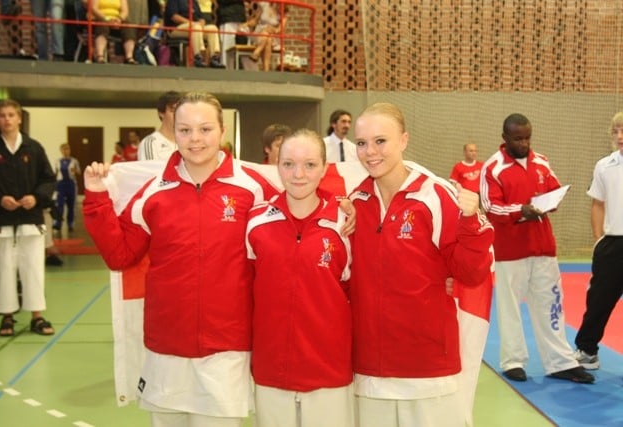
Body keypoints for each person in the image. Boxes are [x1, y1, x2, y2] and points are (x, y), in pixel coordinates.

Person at [83, 92, 280, 426]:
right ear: (173, 132)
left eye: (205, 129)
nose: (195, 139)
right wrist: (97, 197)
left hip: (226, 349)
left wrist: (343, 212)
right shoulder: (153, 192)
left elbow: (295, 229)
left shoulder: (254, 188)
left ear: (222, 131)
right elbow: (119, 255)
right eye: (185, 130)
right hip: (166, 347)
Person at [349, 102, 494, 427]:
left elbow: (471, 273)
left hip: (429, 373)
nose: (370, 152)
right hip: (370, 374)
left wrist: (471, 221)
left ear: (404, 140)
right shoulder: (356, 201)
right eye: (361, 143)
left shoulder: (436, 195)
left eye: (380, 141)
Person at [247, 129, 353, 427]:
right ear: (276, 165)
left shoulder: (346, 224)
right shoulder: (255, 221)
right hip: (271, 372)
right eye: (289, 164)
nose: (298, 174)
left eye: (310, 164)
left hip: (329, 373)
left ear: (324, 168)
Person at [480, 113, 594, 384]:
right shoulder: (492, 168)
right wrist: (521, 210)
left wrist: (551, 201)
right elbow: (490, 206)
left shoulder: (541, 161)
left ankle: (560, 362)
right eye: (518, 139)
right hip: (509, 251)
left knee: (551, 304)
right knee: (509, 308)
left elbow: (554, 189)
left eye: (527, 138)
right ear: (505, 138)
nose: (524, 143)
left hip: (543, 247)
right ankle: (513, 361)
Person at [0, 99, 57, 337]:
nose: (7, 119)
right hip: (2, 220)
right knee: (5, 268)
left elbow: (48, 179)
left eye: (11, 115)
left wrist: (37, 198)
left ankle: (37, 316)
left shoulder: (33, 148)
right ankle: (7, 316)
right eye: (2, 116)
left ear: (19, 119)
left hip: (31, 219)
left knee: (33, 268)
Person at [574, 112, 623, 370]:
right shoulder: (604, 166)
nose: (620, 136)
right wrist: (598, 240)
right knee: (598, 301)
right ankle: (587, 351)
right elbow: (597, 204)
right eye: (616, 131)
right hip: (612, 245)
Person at [164, 0, 225, 68]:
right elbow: (174, 17)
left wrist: (202, 23)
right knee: (196, 27)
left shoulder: (194, 2)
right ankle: (198, 57)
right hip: (176, 28)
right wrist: (191, 23)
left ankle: (214, 58)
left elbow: (201, 18)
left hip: (195, 27)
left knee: (212, 28)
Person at [138, 91, 182, 161]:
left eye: (180, 110)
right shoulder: (151, 143)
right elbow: (150, 168)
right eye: (173, 110)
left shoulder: (186, 141)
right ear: (161, 113)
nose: (177, 114)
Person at [248, 1, 287, 71]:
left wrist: (271, 29)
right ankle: (266, 69)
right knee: (268, 37)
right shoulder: (264, 6)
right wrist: (246, 24)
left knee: (268, 37)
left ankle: (257, 52)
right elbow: (255, 20)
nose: (278, 4)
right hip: (258, 33)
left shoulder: (283, 15)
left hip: (272, 35)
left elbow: (279, 30)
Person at [53, 143, 81, 233]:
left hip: (71, 184)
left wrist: (75, 170)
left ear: (69, 150)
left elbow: (79, 172)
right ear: (61, 151)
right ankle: (58, 223)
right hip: (60, 184)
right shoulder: (57, 161)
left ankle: (70, 224)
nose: (65, 151)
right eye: (63, 149)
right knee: (59, 204)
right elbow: (55, 173)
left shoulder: (74, 161)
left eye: (67, 149)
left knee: (71, 205)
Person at [216, 0, 249, 68]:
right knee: (227, 47)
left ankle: (243, 67)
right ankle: (226, 67)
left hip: (241, 18)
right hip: (227, 18)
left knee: (244, 46)